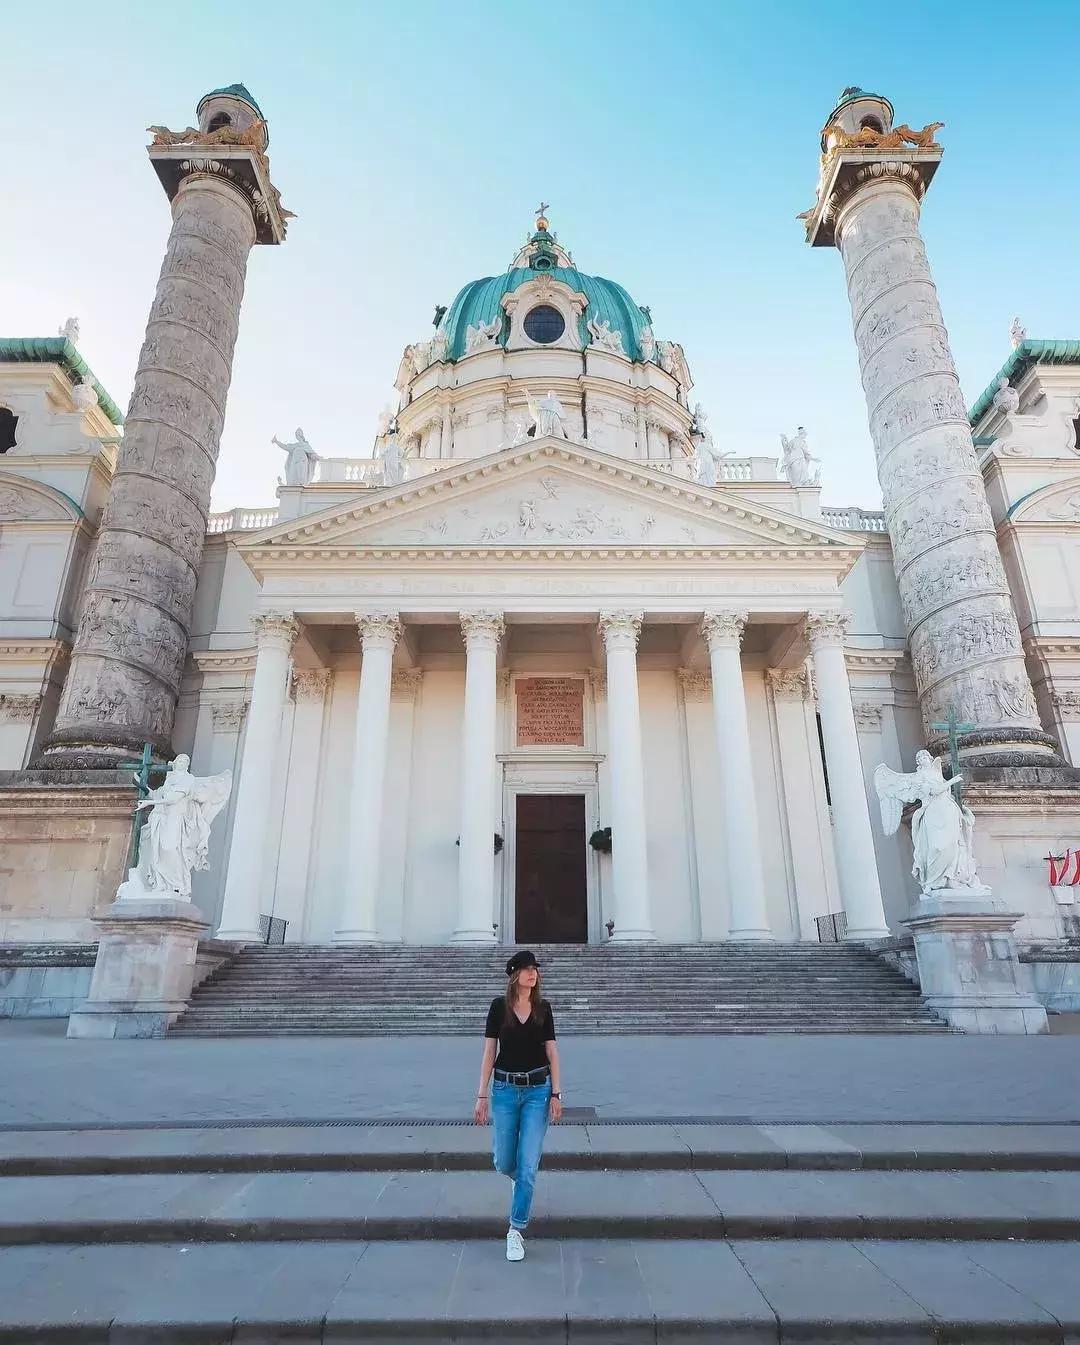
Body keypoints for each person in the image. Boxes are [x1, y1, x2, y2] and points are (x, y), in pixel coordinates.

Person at [474, 949, 562, 1262]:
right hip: (505, 1091)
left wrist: (557, 1093)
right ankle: (519, 1182)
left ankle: (515, 1230)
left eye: (534, 968)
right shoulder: (498, 1007)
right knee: (503, 1161)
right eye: (526, 969)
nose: (532, 973)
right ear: (514, 975)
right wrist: (481, 1095)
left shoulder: (543, 1008)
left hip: (538, 1091)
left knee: (528, 1165)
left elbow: (552, 1052)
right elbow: (489, 1052)